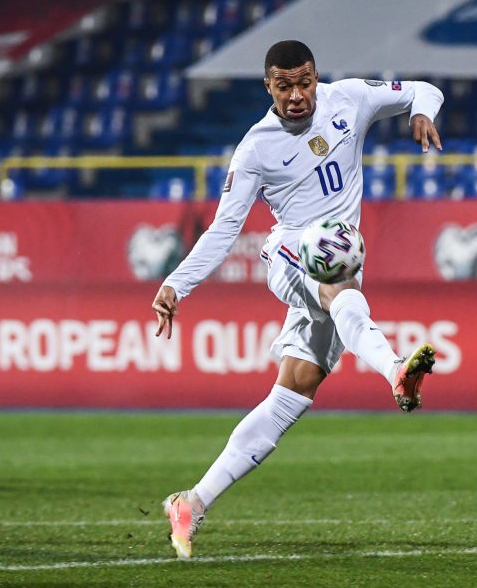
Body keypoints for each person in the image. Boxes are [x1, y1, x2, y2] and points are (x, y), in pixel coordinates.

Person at [151, 40, 444, 559]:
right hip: (288, 254)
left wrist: (421, 111)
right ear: (268, 86)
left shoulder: (350, 98)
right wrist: (178, 282)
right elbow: (225, 227)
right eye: (283, 85)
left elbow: (425, 88)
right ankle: (396, 370)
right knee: (337, 277)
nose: (296, 95)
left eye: (304, 81)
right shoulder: (255, 148)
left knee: (294, 391)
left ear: (316, 77)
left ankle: (192, 503)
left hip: (337, 255)